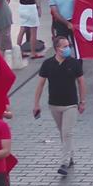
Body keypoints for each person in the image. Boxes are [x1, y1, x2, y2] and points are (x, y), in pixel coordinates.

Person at [33, 35, 86, 176]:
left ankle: (64, 162)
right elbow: (40, 84)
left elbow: (81, 82)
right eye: (65, 46)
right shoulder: (48, 64)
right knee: (63, 132)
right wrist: (36, 103)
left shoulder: (74, 63)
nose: (68, 48)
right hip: (54, 104)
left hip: (71, 104)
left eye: (68, 45)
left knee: (67, 132)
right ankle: (70, 155)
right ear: (57, 49)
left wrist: (82, 101)